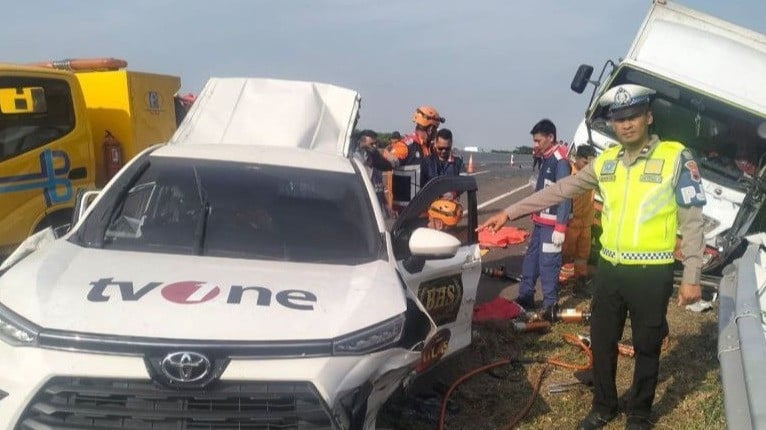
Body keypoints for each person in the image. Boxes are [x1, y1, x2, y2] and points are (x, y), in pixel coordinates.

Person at [478, 84, 706, 430]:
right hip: (611, 272)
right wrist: (511, 212)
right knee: (602, 341)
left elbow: (692, 220)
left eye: (633, 117)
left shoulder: (676, 158)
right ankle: (604, 406)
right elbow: (559, 190)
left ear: (648, 117)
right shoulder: (606, 163)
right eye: (619, 118)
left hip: (651, 272)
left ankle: (640, 414)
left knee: (647, 346)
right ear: (612, 124)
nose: (626, 124)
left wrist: (692, 275)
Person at [515, 119, 571, 317]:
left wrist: (561, 227)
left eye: (538, 141)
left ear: (550, 138)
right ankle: (526, 296)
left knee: (548, 263)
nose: (535, 145)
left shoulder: (560, 160)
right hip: (540, 223)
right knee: (531, 260)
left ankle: (550, 305)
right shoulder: (547, 157)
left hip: (551, 225)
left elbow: (565, 193)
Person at [362, 106, 444, 213]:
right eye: (435, 129)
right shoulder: (405, 146)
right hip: (408, 215)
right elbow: (386, 164)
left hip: (426, 211)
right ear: (430, 129)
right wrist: (373, 152)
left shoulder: (430, 149)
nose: (435, 133)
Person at [562, 144, 597, 295]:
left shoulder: (593, 176)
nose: (588, 166)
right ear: (577, 159)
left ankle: (580, 283)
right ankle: (556, 283)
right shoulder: (567, 174)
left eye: (591, 163)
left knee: (583, 256)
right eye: (585, 163)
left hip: (586, 224)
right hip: (571, 224)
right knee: (564, 254)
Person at [356, 130, 388, 214]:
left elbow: (379, 187)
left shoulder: (376, 161)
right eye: (371, 144)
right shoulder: (356, 163)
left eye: (376, 143)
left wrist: (386, 205)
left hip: (377, 210)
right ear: (362, 143)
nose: (375, 146)